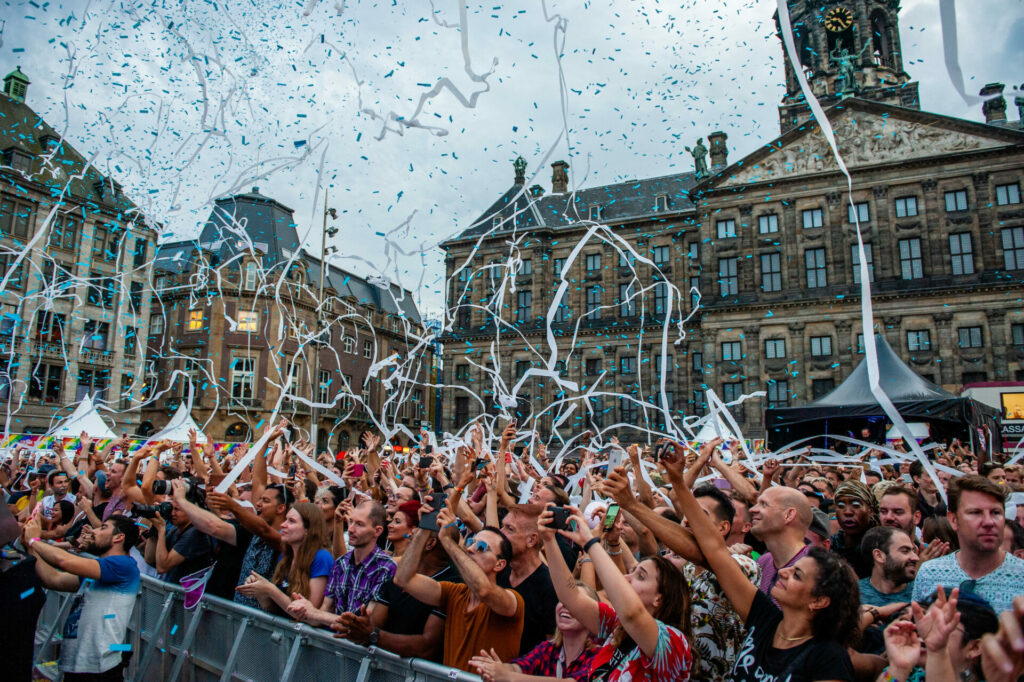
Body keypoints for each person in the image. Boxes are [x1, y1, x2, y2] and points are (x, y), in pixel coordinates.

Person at [673, 459, 859, 682]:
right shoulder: (764, 582)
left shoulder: (827, 656)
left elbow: (712, 552)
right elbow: (713, 551)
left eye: (797, 575)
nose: (753, 509)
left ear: (819, 600)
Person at [603, 461, 758, 682]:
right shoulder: (681, 571)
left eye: (698, 514)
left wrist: (632, 504)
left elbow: (699, 551)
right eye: (687, 513)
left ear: (723, 528)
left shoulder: (743, 564)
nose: (686, 519)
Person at [540, 500, 693, 681]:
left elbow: (633, 614)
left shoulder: (675, 644)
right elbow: (570, 596)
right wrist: (549, 541)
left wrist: (590, 542)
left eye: (640, 576)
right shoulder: (617, 625)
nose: (626, 578)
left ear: (659, 598)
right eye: (632, 572)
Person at [394, 504, 524, 672]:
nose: (470, 549)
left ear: (499, 564)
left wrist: (447, 540)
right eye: (471, 542)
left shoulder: (513, 600)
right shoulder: (454, 592)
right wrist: (425, 528)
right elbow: (403, 579)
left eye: (481, 547)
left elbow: (484, 591)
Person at [25, 513, 140, 681]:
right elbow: (53, 579)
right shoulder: (98, 571)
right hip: (76, 665)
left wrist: (34, 540)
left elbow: (64, 561)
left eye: (103, 527)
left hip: (99, 669)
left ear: (119, 537)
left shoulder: (124, 565)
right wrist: (31, 548)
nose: (94, 531)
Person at [913, 475, 1024, 613]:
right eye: (975, 513)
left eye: (996, 512)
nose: (989, 522)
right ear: (953, 520)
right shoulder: (929, 573)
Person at [287, 500, 395, 624]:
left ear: (377, 531)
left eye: (359, 524)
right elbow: (326, 608)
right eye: (350, 521)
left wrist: (314, 613)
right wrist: (305, 609)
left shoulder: (386, 568)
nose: (351, 529)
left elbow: (366, 624)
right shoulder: (341, 564)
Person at [469, 583, 600, 682]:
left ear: (593, 614)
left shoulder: (601, 655)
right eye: (563, 600)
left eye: (575, 602)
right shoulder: (548, 649)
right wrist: (497, 669)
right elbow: (520, 666)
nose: (565, 606)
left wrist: (508, 676)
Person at [236, 502, 333, 616]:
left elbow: (309, 614)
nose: (283, 525)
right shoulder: (286, 556)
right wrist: (260, 590)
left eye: (291, 521)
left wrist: (270, 590)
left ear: (308, 529)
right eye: (286, 519)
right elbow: (271, 608)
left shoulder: (322, 558)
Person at [206, 483, 292, 609]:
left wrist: (234, 506)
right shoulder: (253, 532)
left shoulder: (286, 540)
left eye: (265, 500)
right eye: (259, 499)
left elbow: (263, 530)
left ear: (280, 508)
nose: (258, 504)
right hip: (238, 613)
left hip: (262, 621)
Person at [499, 505, 557, 655]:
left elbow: (550, 650)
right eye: (502, 526)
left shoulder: (549, 588)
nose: (500, 533)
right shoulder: (497, 570)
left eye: (509, 529)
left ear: (531, 540)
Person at [751, 483, 814, 600]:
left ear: (789, 515)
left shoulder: (814, 568)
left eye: (764, 504)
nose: (752, 509)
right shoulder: (763, 561)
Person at [145, 484, 214, 584]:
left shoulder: (195, 534)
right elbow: (150, 558)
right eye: (171, 508)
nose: (172, 513)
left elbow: (162, 567)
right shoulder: (176, 529)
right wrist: (154, 529)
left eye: (177, 509)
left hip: (184, 596)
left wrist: (161, 530)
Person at [859, 526, 918, 607]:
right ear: (879, 556)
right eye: (905, 551)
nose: (916, 558)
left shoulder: (921, 592)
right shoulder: (853, 594)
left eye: (913, 551)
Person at [829, 480, 877, 578]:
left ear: (870, 511)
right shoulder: (831, 545)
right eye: (841, 506)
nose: (847, 512)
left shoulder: (880, 544)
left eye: (855, 505)